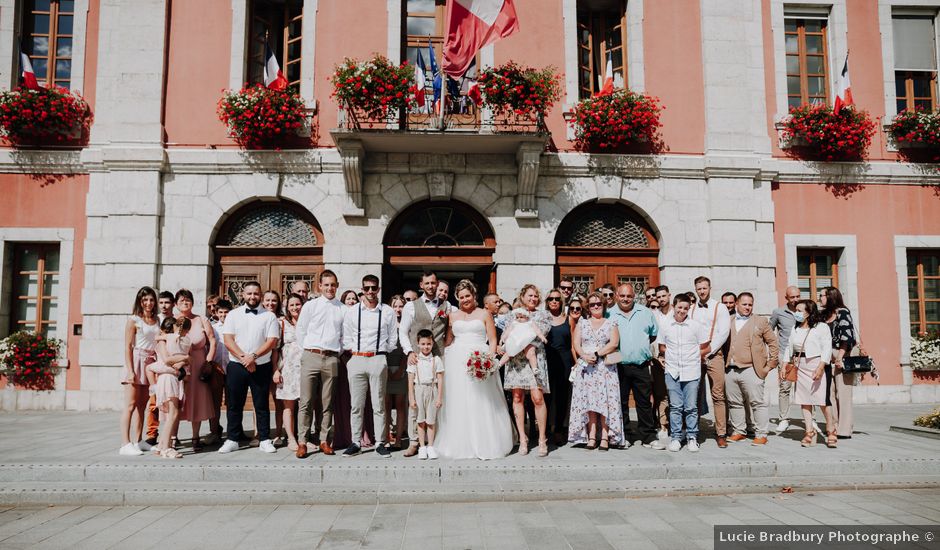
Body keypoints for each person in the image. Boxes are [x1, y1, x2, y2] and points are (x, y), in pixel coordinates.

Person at [435, 279, 513, 459]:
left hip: (480, 357)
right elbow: (448, 340)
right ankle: (460, 442)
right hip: (456, 361)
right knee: (459, 401)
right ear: (457, 298)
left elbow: (492, 340)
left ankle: (485, 441)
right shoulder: (453, 316)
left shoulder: (484, 314)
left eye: (467, 296)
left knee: (481, 400)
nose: (464, 300)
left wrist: (489, 360)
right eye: (461, 297)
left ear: (474, 295)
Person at [219, 282, 280, 454]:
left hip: (261, 365)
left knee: (261, 404)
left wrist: (253, 357)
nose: (252, 297)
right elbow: (228, 339)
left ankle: (265, 439)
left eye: (256, 293)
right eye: (249, 293)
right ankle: (232, 439)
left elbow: (271, 341)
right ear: (243, 295)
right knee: (234, 404)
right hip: (237, 365)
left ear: (260, 295)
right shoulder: (233, 314)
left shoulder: (269, 316)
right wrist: (244, 358)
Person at [342, 274, 398, 457]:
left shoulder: (387, 311)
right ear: (362, 290)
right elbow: (347, 336)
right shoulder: (352, 311)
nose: (370, 292)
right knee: (356, 404)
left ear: (379, 289)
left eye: (374, 288)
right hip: (357, 358)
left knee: (379, 404)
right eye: (367, 288)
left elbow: (392, 338)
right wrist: (354, 353)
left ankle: (381, 442)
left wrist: (381, 353)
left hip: (377, 359)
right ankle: (356, 442)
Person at [398, 271, 449, 458]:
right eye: (427, 283)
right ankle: (414, 443)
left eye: (433, 283)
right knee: (415, 404)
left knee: (438, 401)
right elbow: (403, 331)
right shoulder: (411, 306)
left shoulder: (447, 305)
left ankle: (435, 442)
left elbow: (449, 331)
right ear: (421, 285)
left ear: (437, 284)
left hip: (439, 358)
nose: (430, 286)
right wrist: (409, 352)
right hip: (418, 359)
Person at [295, 270, 344, 458]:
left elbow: (343, 336)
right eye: (326, 285)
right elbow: (301, 330)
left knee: (327, 402)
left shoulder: (342, 309)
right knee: (306, 401)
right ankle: (302, 441)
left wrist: (335, 354)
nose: (330, 288)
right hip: (311, 355)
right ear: (320, 286)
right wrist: (307, 351)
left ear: (337, 285)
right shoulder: (310, 306)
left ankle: (324, 440)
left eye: (333, 284)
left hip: (331, 358)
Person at [501, 284, 552, 457]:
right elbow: (507, 334)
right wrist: (504, 346)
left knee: (538, 398)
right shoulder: (511, 315)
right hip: (515, 361)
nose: (533, 299)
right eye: (529, 296)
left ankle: (542, 439)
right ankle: (523, 439)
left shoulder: (543, 315)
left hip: (534, 359)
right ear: (522, 297)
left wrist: (517, 345)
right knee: (517, 397)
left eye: (536, 296)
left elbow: (538, 336)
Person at [568, 291, 622, 450]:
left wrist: (597, 353)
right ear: (588, 307)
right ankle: (591, 436)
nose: (596, 306)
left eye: (599, 303)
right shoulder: (582, 323)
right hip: (587, 368)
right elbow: (576, 344)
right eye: (592, 304)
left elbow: (614, 343)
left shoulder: (611, 322)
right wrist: (584, 356)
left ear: (604, 305)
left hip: (605, 367)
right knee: (589, 402)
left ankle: (605, 437)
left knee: (606, 401)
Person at [608, 283, 659, 448]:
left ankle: (648, 436)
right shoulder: (609, 314)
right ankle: (626, 435)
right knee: (621, 402)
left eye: (629, 296)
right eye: (622, 296)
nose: (625, 299)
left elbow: (653, 335)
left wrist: (639, 349)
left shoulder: (645, 312)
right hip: (619, 366)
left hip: (641, 365)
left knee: (644, 402)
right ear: (616, 295)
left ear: (634, 296)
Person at [724, 292, 779, 446]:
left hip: (752, 369)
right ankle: (739, 431)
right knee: (734, 402)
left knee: (757, 403)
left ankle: (761, 434)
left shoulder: (760, 321)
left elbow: (773, 343)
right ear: (736, 304)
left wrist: (769, 365)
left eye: (750, 305)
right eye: (744, 304)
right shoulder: (728, 320)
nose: (747, 307)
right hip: (731, 368)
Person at [657, 294, 710, 452]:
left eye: (686, 308)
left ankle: (692, 437)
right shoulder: (665, 325)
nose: (682, 311)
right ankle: (676, 437)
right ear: (674, 306)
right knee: (675, 407)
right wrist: (672, 356)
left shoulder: (695, 326)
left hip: (691, 371)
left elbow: (706, 347)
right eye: (680, 307)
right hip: (672, 371)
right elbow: (662, 347)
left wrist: (693, 356)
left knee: (691, 407)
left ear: (689, 309)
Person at [786, 299, 836, 448]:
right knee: (804, 399)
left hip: (817, 364)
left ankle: (831, 429)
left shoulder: (821, 327)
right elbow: (789, 348)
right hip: (800, 365)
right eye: (796, 310)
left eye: (800, 310)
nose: (797, 313)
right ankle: (809, 432)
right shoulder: (795, 328)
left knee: (822, 400)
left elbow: (827, 347)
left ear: (809, 312)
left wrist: (821, 367)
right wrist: (784, 365)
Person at [689, 276, 732, 448]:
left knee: (718, 394)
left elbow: (723, 332)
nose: (702, 291)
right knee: (693, 394)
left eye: (704, 288)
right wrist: (695, 352)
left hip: (714, 355)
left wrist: (709, 351)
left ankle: (721, 432)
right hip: (695, 356)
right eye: (699, 288)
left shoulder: (719, 307)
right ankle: (693, 431)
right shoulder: (691, 308)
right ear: (695, 289)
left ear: (710, 288)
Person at [175, 289, 217, 451]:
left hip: (199, 363)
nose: (185, 303)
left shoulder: (201, 319)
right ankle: (173, 436)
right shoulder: (173, 321)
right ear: (176, 304)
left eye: (188, 300)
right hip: (179, 365)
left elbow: (212, 341)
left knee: (196, 400)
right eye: (181, 300)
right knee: (177, 399)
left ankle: (195, 437)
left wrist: (208, 361)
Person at [120, 286, 160, 456]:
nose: (148, 303)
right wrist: (130, 371)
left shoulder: (157, 319)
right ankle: (125, 443)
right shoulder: (134, 320)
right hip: (136, 361)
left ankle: (138, 441)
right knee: (130, 405)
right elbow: (127, 346)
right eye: (145, 300)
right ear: (140, 302)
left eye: (151, 299)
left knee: (142, 406)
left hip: (150, 363)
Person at [148, 316, 191, 458]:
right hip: (168, 377)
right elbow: (167, 360)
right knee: (172, 413)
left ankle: (161, 445)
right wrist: (185, 358)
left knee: (172, 413)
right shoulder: (166, 341)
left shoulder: (167, 340)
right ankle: (166, 447)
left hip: (170, 378)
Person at [820, 286, 858, 440]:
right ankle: (833, 426)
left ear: (830, 296)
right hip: (827, 356)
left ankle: (844, 429)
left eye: (822, 295)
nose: (820, 298)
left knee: (843, 393)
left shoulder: (842, 312)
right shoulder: (824, 315)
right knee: (828, 393)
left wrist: (840, 357)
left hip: (841, 354)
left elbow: (847, 335)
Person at [273, 293, 304, 451]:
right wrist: (276, 371)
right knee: (288, 405)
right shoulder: (281, 323)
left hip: (305, 368)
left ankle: (303, 438)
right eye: (291, 305)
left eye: (297, 304)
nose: (294, 308)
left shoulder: (307, 322)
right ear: (286, 307)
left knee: (305, 405)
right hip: (288, 369)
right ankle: (291, 438)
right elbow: (275, 349)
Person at [407, 329, 445, 459]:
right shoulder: (415, 360)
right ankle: (422, 447)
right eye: (423, 344)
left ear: (433, 343)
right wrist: (411, 398)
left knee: (431, 421)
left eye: (428, 344)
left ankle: (431, 446)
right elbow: (410, 380)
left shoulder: (436, 360)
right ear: (418, 344)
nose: (426, 347)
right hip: (419, 390)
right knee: (420, 420)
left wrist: (439, 397)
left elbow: (440, 379)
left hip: (432, 390)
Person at [769, 286, 801, 433]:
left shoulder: (805, 310)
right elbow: (769, 331)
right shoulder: (778, 312)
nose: (795, 300)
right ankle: (784, 419)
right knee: (785, 387)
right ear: (786, 298)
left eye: (797, 296)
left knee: (806, 387)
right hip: (785, 355)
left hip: (804, 354)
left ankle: (811, 418)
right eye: (792, 297)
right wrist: (774, 352)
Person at [544, 288, 574, 445]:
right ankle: (548, 428)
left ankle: (561, 429)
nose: (554, 301)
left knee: (563, 395)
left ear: (561, 302)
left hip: (565, 361)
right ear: (547, 302)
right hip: (546, 360)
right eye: (551, 299)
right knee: (547, 396)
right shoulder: (542, 319)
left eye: (557, 299)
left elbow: (573, 344)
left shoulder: (568, 319)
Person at [261, 290, 285, 446]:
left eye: (274, 300)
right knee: (260, 400)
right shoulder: (258, 318)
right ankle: (259, 433)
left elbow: (277, 347)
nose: (271, 303)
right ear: (263, 302)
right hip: (259, 363)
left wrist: (276, 368)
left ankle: (278, 433)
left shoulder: (282, 321)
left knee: (279, 401)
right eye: (268, 300)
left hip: (277, 363)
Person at [206, 299, 232, 444]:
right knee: (214, 403)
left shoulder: (236, 327)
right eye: (220, 312)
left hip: (231, 368)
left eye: (226, 312)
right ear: (216, 313)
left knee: (232, 402)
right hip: (216, 369)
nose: (223, 315)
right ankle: (214, 431)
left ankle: (234, 430)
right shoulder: (213, 328)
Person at [385, 295, 408, 448]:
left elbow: (408, 350)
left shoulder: (407, 326)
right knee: (385, 406)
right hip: (385, 368)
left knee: (400, 405)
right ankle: (386, 438)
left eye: (401, 306)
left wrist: (401, 368)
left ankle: (399, 439)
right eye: (395, 306)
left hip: (401, 369)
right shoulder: (385, 325)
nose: (398, 309)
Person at [651, 285, 673, 438]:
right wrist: (655, 357)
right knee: (661, 394)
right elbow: (651, 339)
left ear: (669, 295)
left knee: (676, 394)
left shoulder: (676, 313)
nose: (661, 299)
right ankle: (663, 425)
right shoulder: (653, 315)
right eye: (658, 297)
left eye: (663, 296)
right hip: (659, 361)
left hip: (677, 359)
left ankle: (678, 425)